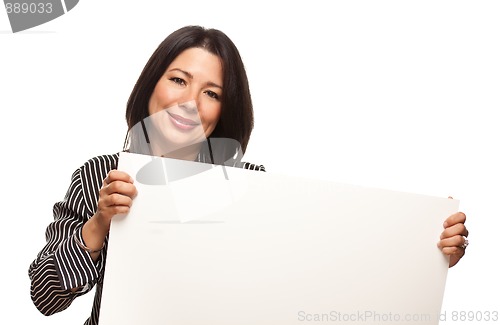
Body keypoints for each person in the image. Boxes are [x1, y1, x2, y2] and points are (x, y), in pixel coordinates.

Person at [28, 25, 468, 325]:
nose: (190, 102)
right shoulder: (100, 176)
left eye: (212, 93)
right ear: (151, 86)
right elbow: (45, 297)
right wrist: (99, 225)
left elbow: (319, 269)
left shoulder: (250, 186)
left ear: (225, 110)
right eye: (178, 80)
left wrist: (425, 256)